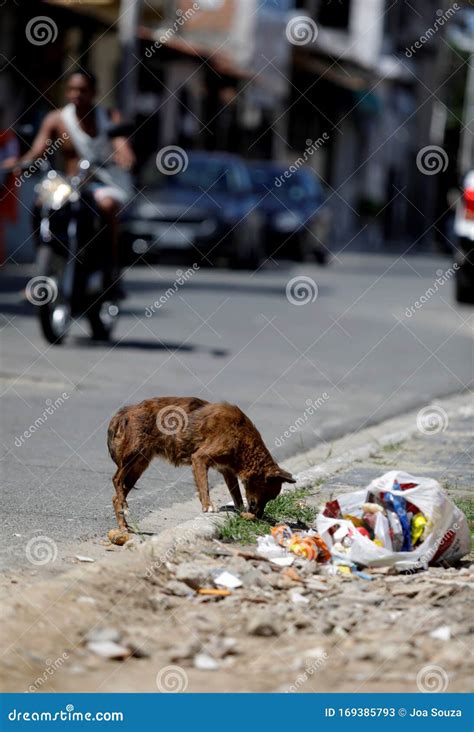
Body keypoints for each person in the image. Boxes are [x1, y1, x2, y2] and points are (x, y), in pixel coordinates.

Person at [13, 69, 135, 296]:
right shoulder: (57, 119)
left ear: (94, 92)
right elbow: (38, 151)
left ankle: (110, 273)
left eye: (82, 90)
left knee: (108, 207)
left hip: (100, 183)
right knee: (42, 204)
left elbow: (121, 144)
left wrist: (124, 155)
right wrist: (19, 162)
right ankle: (44, 264)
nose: (76, 94)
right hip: (68, 183)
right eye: (71, 89)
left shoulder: (108, 116)